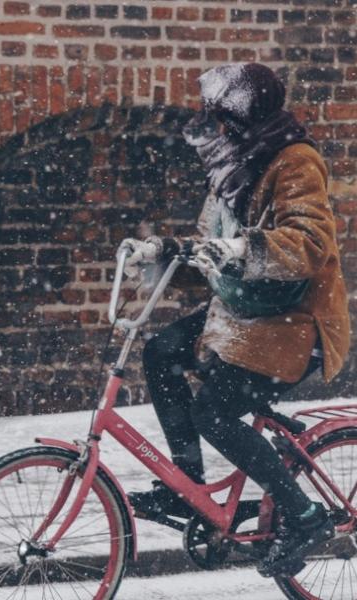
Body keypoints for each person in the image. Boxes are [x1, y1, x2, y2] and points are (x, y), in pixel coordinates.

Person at [120, 63, 350, 578]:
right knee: (161, 352)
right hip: (246, 308)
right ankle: (188, 487)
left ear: (242, 117)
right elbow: (211, 247)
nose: (212, 125)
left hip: (293, 320)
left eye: (219, 115)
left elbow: (310, 245)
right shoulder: (235, 164)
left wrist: (243, 249)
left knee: (215, 414)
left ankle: (306, 516)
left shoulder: (295, 163)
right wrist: (163, 253)